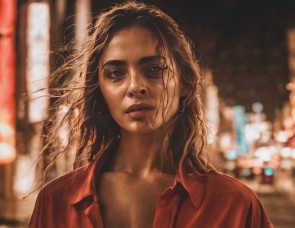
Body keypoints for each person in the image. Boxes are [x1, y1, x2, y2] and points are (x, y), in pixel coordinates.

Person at [28, 1, 273, 227]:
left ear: (185, 82)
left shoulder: (234, 205)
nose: (135, 86)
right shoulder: (56, 202)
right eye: (115, 73)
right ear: (99, 89)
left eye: (154, 69)